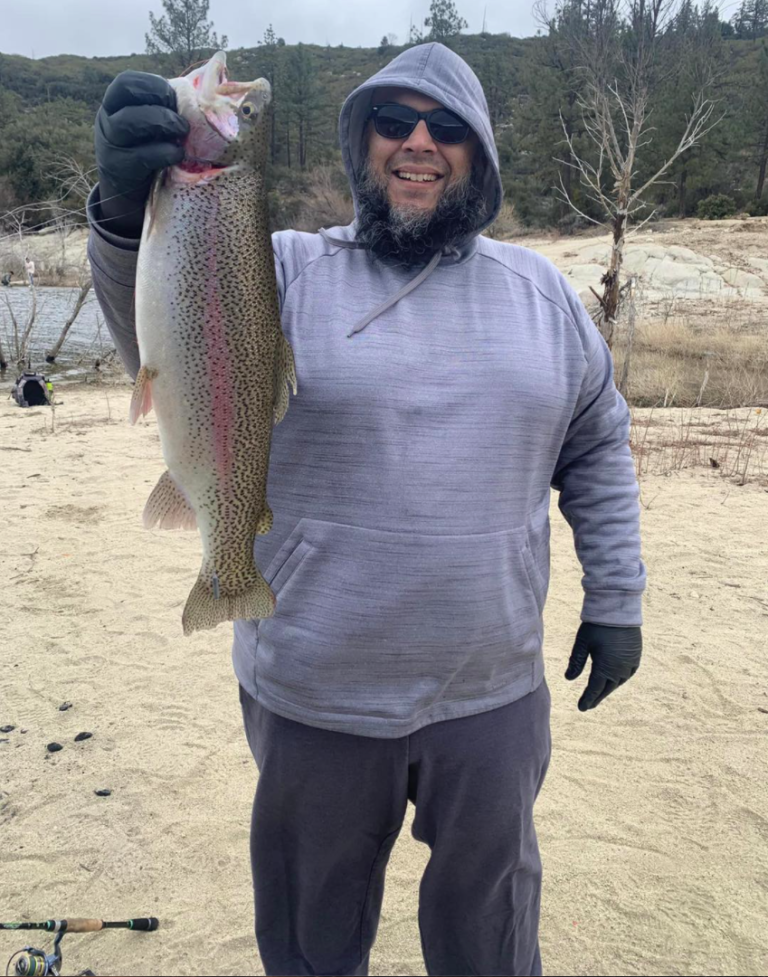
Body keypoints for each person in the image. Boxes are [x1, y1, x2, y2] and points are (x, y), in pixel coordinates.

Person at [87, 43, 646, 977]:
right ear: (362, 144)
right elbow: (156, 333)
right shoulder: (282, 268)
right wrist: (118, 213)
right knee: (311, 935)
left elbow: (596, 448)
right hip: (314, 692)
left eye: (446, 126)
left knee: (491, 934)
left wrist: (616, 598)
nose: (418, 142)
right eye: (393, 121)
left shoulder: (545, 295)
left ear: (481, 152)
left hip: (491, 695)